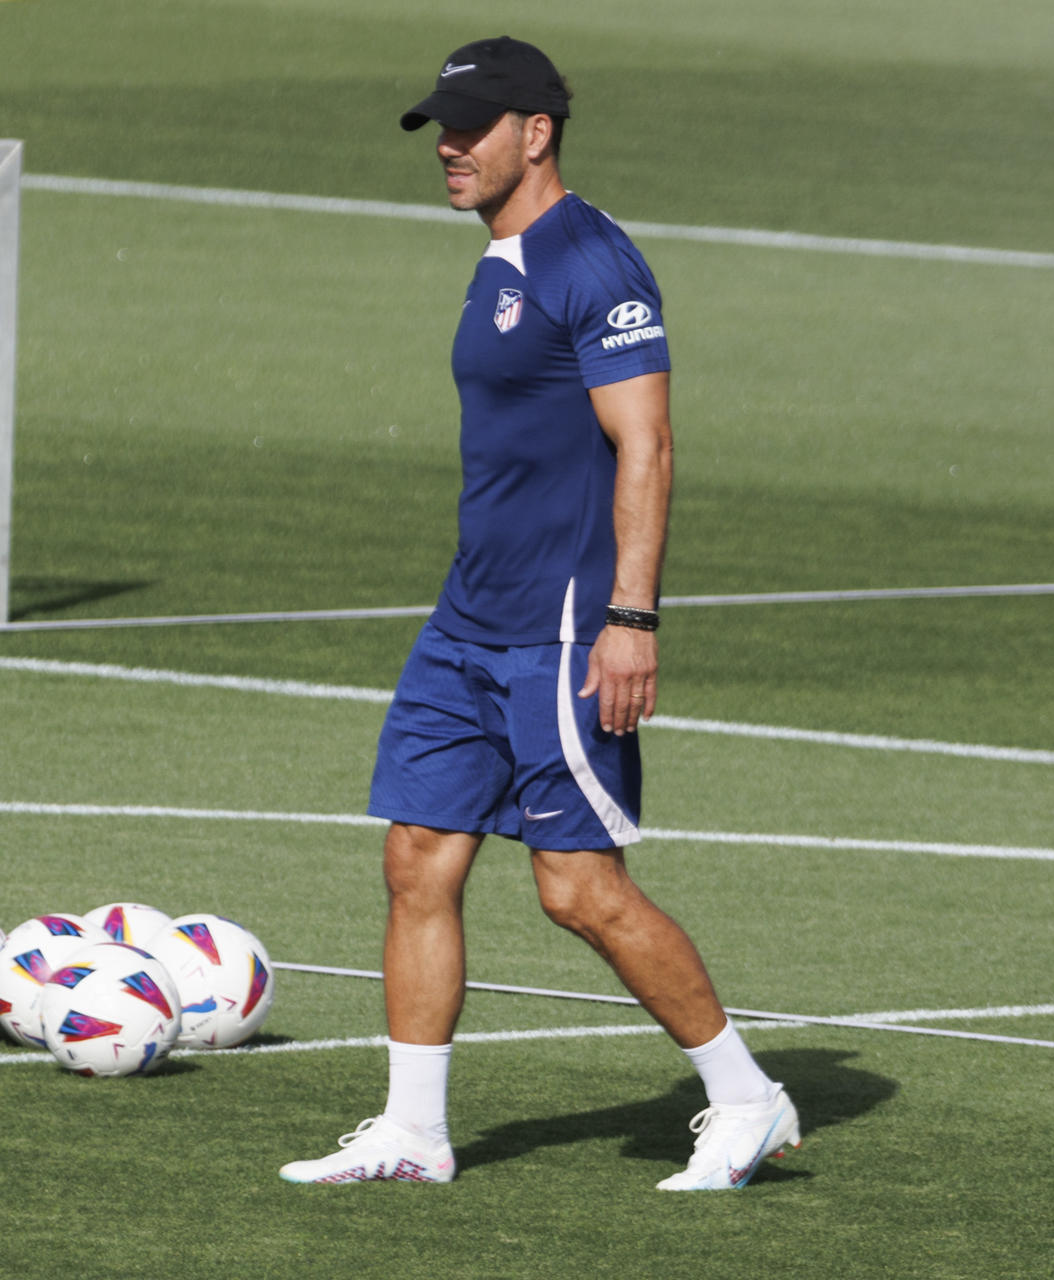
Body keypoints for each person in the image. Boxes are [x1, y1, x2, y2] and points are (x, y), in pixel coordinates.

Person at [278, 36, 799, 1191]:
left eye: (472, 127)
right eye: (440, 129)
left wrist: (631, 616)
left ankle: (746, 1095)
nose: (450, 148)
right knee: (418, 856)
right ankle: (414, 1128)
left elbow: (648, 445)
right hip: (466, 622)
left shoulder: (593, 265)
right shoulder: (501, 259)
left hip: (563, 631)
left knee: (578, 888)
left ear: (538, 131)